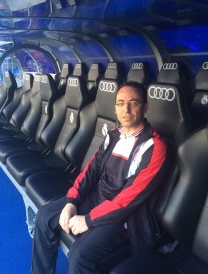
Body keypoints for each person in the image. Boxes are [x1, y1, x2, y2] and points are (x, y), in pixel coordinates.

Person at [30, 81, 168, 274]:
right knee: (44, 216)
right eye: (120, 103)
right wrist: (71, 201)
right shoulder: (114, 135)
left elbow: (129, 200)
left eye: (133, 103)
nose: (125, 109)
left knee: (79, 256)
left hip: (125, 217)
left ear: (145, 107)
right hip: (98, 198)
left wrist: (87, 220)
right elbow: (90, 171)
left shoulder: (155, 146)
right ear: (115, 107)